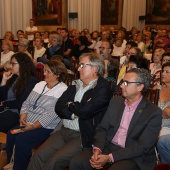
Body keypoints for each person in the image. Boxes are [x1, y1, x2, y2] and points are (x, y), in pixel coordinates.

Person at [27, 52, 112, 170]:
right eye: (79, 65)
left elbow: (86, 111)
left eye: (82, 65)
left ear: (95, 69)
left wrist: (70, 104)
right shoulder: (75, 84)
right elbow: (59, 106)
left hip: (82, 135)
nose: (78, 68)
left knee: (53, 162)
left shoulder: (102, 88)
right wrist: (73, 114)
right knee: (38, 156)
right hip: (63, 130)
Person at [69, 68, 162, 170]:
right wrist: (97, 149)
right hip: (109, 147)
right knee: (77, 161)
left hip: (133, 155)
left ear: (140, 87)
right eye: (122, 82)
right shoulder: (116, 102)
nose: (121, 85)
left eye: (126, 83)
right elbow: (102, 128)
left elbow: (143, 146)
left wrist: (110, 158)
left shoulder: (153, 112)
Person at [6, 59, 68, 170]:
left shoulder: (63, 90)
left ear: (57, 75)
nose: (44, 73)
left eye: (48, 71)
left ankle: (20, 167)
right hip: (27, 122)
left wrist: (33, 126)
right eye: (45, 70)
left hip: (45, 127)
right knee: (11, 134)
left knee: (22, 140)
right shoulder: (40, 84)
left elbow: (52, 115)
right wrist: (22, 117)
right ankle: (12, 164)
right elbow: (27, 103)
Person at [0, 53, 38, 133]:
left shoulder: (31, 81)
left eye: (13, 64)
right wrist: (4, 81)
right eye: (11, 63)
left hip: (17, 112)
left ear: (22, 64)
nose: (11, 66)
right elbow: (2, 98)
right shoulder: (13, 77)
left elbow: (21, 102)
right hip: (7, 108)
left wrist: (4, 104)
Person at [156, 62, 170, 163]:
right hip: (153, 123)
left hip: (167, 127)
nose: (163, 74)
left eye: (167, 72)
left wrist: (157, 112)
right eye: (163, 71)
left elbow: (167, 113)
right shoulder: (157, 88)